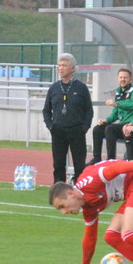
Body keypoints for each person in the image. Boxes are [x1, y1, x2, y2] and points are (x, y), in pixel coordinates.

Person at [42, 53, 93, 183]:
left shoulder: (81, 88)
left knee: (79, 164)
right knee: (58, 164)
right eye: (59, 65)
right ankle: (59, 188)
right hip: (58, 130)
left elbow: (89, 111)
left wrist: (84, 128)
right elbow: (46, 110)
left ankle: (80, 188)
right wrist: (51, 126)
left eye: (64, 65)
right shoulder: (54, 88)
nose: (61, 68)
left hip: (77, 130)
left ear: (72, 69)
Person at [89, 68, 133, 164]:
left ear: (131, 79)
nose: (123, 79)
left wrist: (117, 104)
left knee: (110, 128)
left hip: (131, 126)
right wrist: (105, 120)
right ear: (118, 79)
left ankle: (111, 160)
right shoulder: (119, 92)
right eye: (121, 77)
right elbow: (115, 114)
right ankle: (96, 158)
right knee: (97, 129)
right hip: (121, 126)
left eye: (125, 77)